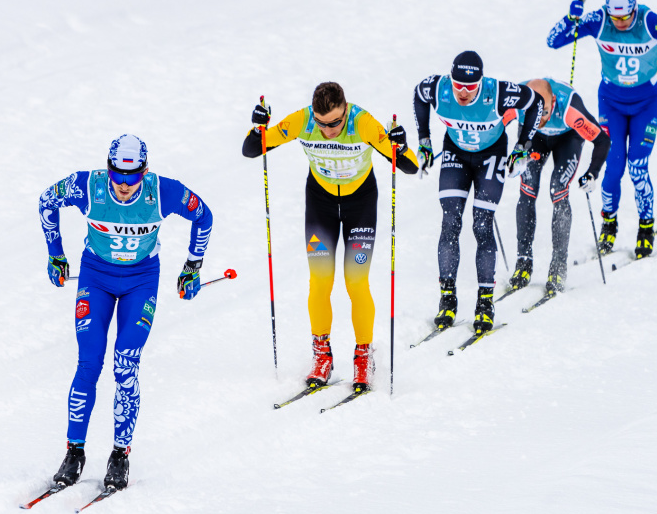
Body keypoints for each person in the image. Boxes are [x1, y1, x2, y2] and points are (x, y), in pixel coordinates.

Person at [38, 134, 213, 490]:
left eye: (132, 178)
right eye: (117, 176)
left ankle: (120, 455)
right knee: (89, 362)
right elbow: (46, 201)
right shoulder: (88, 186)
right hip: (96, 278)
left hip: (141, 282)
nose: (123, 185)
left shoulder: (162, 191)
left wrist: (192, 267)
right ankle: (74, 452)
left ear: (144, 173)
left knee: (125, 363)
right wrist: (56, 253)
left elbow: (204, 216)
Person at [243, 82, 417, 392]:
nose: (328, 130)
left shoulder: (362, 122)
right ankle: (321, 354)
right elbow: (252, 149)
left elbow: (409, 166)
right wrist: (257, 128)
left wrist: (400, 146)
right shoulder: (303, 120)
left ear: (345, 111)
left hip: (360, 205)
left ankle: (364, 355)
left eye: (335, 122)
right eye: (322, 123)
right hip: (321, 204)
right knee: (321, 281)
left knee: (355, 280)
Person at [547, 0, 657, 259]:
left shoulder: (649, 20)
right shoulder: (599, 20)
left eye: (626, 16)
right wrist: (571, 18)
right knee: (613, 167)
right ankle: (609, 223)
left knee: (637, 166)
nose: (622, 23)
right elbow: (554, 41)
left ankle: (646, 227)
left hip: (646, 103)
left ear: (634, 9)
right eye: (617, 18)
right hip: (612, 102)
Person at [412, 51, 544, 335]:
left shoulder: (497, 92)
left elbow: (535, 102)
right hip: (456, 153)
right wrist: (424, 140)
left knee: (482, 224)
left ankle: (485, 302)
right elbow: (419, 95)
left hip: (491, 155)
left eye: (470, 88)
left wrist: (523, 145)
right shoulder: (438, 88)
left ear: (480, 83)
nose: (462, 92)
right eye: (458, 85)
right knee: (450, 222)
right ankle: (447, 298)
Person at [510, 78, 611, 294]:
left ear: (553, 100)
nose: (540, 119)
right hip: (533, 138)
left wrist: (592, 172)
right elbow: (492, 126)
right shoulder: (516, 99)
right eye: (533, 113)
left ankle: (558, 265)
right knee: (527, 185)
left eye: (544, 112)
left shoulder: (570, 108)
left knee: (558, 187)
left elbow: (602, 140)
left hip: (567, 137)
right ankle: (523, 261)